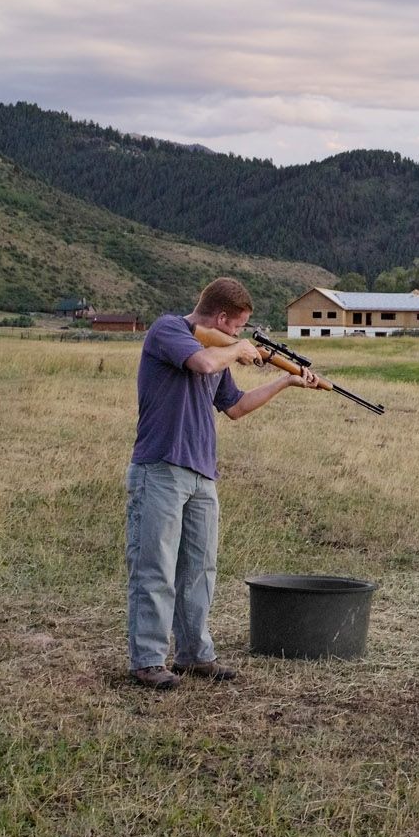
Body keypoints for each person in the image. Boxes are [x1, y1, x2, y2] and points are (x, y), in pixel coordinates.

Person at [126, 277, 321, 689]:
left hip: (201, 474)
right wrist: (236, 350)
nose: (238, 335)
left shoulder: (218, 350)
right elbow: (202, 363)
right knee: (155, 568)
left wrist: (286, 380)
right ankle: (147, 660)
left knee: (199, 569)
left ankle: (195, 656)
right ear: (219, 318)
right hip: (160, 467)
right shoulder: (170, 330)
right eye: (237, 327)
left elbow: (235, 407)